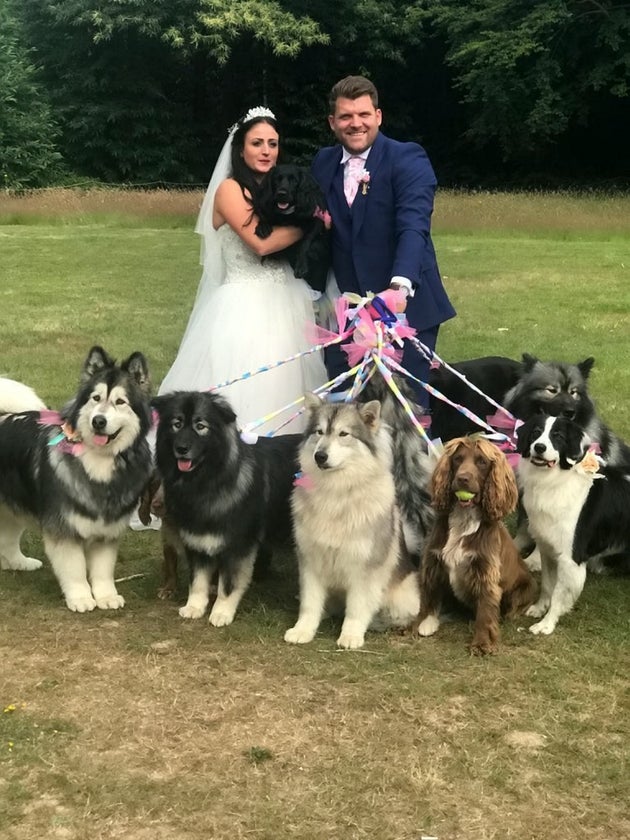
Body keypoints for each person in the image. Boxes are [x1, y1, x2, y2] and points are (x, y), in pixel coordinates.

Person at [158, 107, 327, 434]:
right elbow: (260, 245)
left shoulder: (278, 190)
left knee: (287, 381)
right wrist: (311, 224)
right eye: (257, 143)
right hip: (245, 303)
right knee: (245, 383)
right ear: (240, 148)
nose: (266, 151)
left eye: (273, 144)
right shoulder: (230, 190)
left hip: (286, 300)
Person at [312, 75, 456, 412]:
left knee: (405, 410)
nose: (355, 123)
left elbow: (413, 225)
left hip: (405, 310)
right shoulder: (322, 163)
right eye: (346, 116)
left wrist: (399, 286)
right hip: (345, 311)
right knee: (345, 413)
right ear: (333, 123)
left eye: (363, 114)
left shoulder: (407, 158)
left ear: (378, 116)